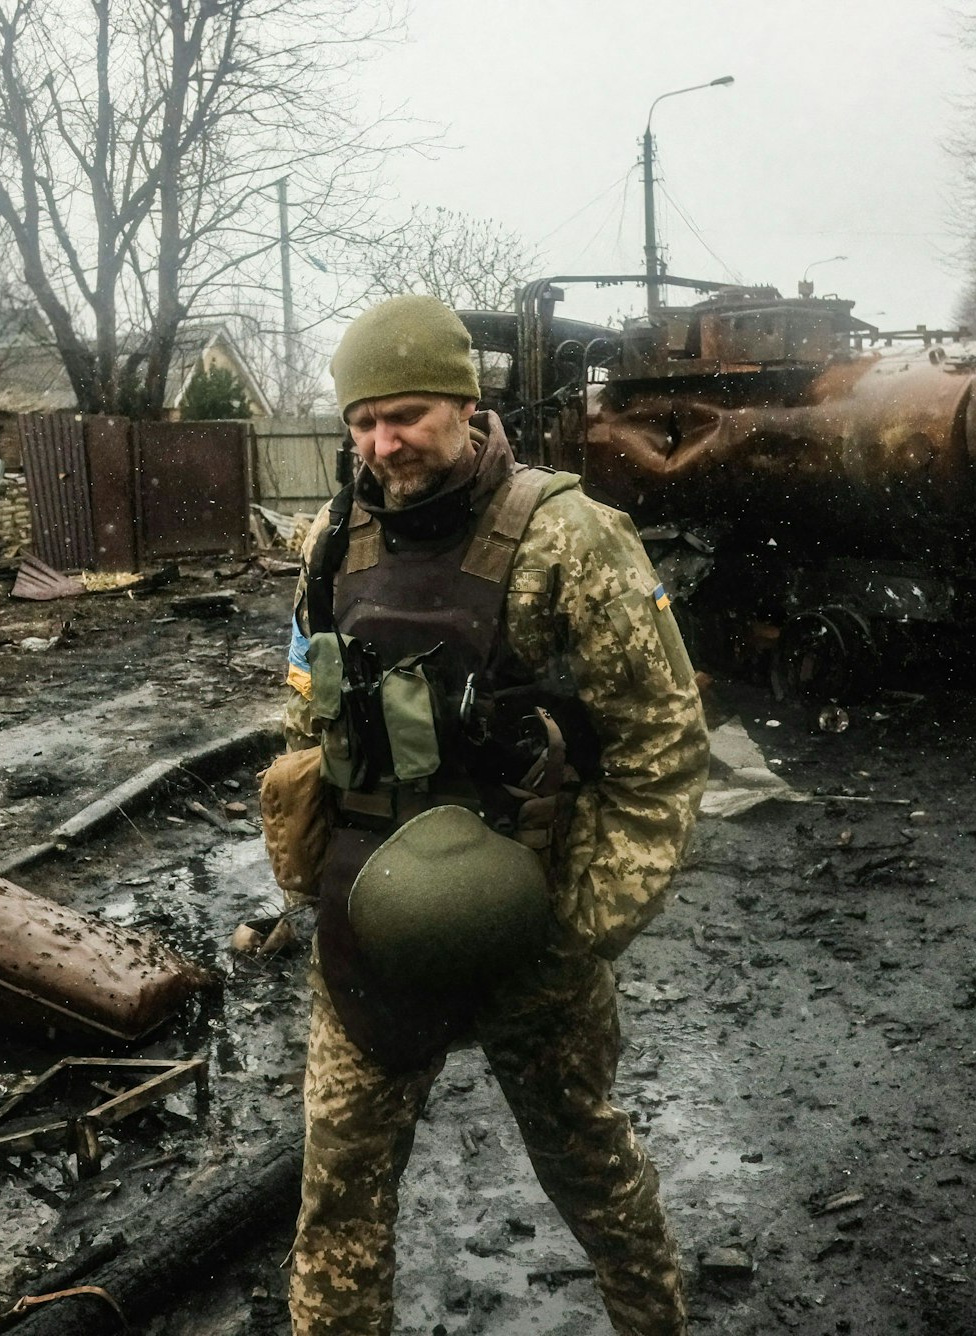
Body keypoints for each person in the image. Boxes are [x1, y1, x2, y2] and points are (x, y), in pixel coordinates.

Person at [275, 294, 708, 1335]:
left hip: (531, 935)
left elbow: (662, 745)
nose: (384, 442)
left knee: (592, 1171)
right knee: (336, 1203)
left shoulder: (567, 538)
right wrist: (302, 841)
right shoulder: (335, 539)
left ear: (467, 406)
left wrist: (583, 924)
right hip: (368, 927)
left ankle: (657, 1322)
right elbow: (304, 705)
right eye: (363, 421)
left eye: (409, 414)